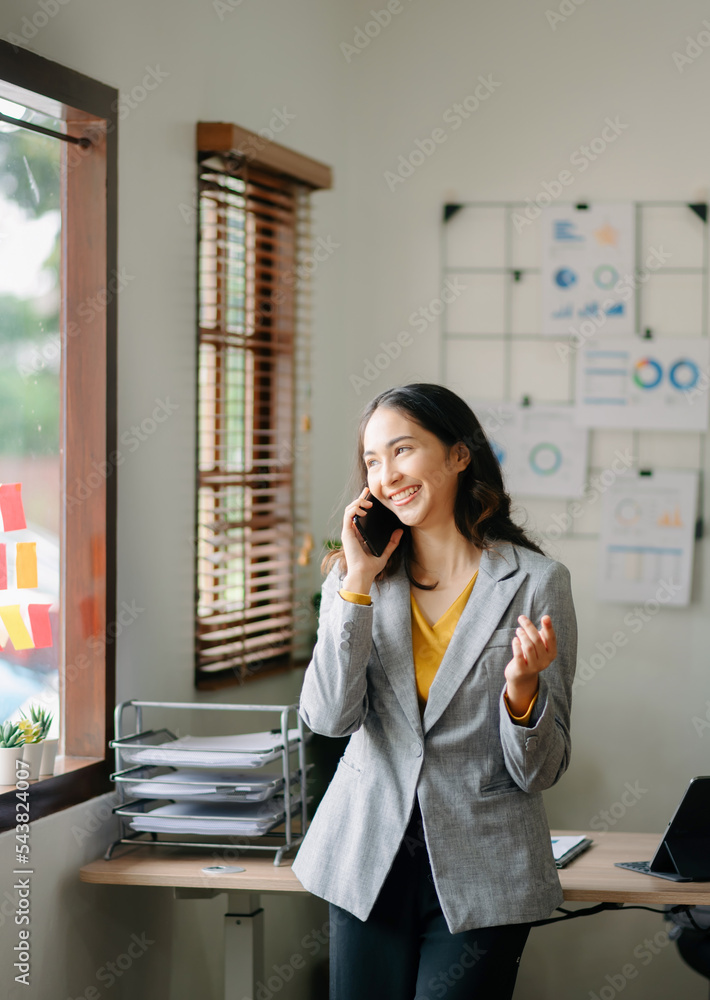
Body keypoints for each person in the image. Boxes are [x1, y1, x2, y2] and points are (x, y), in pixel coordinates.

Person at [291, 383, 578, 1000]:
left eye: (403, 450)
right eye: (373, 460)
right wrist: (358, 584)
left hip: (485, 871)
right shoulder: (356, 577)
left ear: (458, 455)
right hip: (367, 859)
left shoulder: (535, 582)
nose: (387, 474)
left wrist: (524, 692)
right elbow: (328, 718)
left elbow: (543, 770)